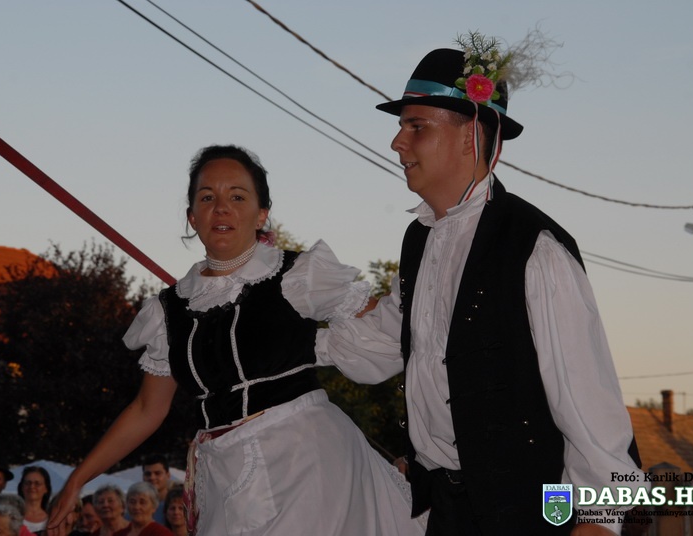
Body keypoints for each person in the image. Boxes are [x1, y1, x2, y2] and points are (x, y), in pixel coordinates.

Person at [315, 32, 647, 535]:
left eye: (416, 126)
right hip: (446, 512)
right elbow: (384, 344)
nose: (397, 143)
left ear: (470, 134)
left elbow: (589, 404)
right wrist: (286, 333)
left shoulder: (535, 248)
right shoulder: (420, 239)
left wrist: (601, 520)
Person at [47, 145, 425, 536]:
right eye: (207, 197)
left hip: (306, 462)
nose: (221, 208)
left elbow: (391, 326)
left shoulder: (298, 275)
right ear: (192, 217)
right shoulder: (168, 311)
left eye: (238, 197)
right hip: (223, 474)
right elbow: (146, 409)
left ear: (261, 214)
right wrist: (77, 480)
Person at [16, 467, 51, 534]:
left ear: (46, 488)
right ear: (22, 487)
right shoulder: (11, 517)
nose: (32, 486)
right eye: (28, 483)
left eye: (37, 483)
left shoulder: (52, 520)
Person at [140, 456, 170, 525]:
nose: (152, 477)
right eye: (148, 474)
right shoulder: (136, 506)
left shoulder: (178, 506)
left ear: (168, 475)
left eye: (157, 473)